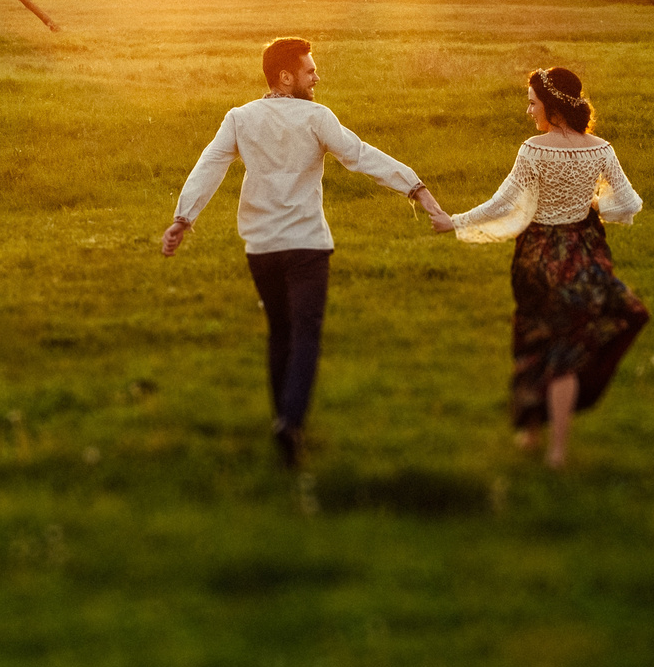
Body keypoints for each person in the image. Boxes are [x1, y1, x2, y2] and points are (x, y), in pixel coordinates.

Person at [163, 36, 453, 466]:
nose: (317, 77)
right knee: (305, 335)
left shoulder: (240, 118)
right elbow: (361, 156)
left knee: (280, 331)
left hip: (262, 248)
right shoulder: (317, 117)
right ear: (286, 77)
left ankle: (282, 423)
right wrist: (417, 188)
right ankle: (291, 422)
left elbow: (209, 166)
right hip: (306, 246)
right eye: (310, 70)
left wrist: (183, 218)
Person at [439, 66, 648, 468]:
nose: (528, 110)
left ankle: (538, 436)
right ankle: (553, 447)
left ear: (553, 107)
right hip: (581, 256)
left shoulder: (533, 149)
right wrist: (593, 205)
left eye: (532, 103)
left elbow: (502, 202)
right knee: (566, 347)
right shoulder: (600, 149)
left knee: (537, 340)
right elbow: (629, 203)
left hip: (537, 257)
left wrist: (456, 221)